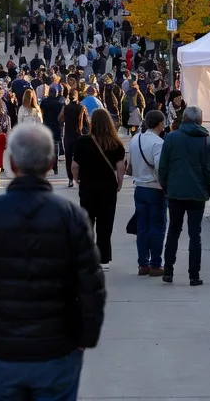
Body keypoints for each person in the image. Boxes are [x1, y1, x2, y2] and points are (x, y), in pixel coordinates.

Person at [0, 123, 106, 401]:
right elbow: (91, 285)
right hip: (58, 351)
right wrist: (85, 337)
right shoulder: (71, 216)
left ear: (11, 162)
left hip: (0, 350)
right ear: (50, 163)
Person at [158, 104, 210, 286]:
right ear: (200, 120)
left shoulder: (171, 138)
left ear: (183, 118)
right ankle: (194, 275)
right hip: (197, 193)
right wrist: (208, 190)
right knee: (195, 234)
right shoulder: (207, 141)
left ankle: (168, 270)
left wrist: (166, 187)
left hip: (175, 192)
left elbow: (163, 167)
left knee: (173, 231)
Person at [71, 108, 126, 271]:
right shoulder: (116, 143)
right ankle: (103, 259)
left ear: (92, 123)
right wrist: (119, 181)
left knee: (87, 222)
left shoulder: (84, 141)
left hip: (88, 186)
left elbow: (75, 165)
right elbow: (120, 166)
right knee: (105, 223)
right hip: (108, 187)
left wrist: (77, 179)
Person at [128, 110, 167, 276]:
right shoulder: (158, 143)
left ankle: (142, 264)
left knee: (142, 227)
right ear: (159, 124)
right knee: (157, 226)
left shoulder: (135, 139)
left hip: (139, 188)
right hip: (154, 189)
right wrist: (165, 185)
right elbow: (159, 167)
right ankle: (156, 264)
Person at [60, 86, 89, 188]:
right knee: (80, 157)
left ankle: (70, 179)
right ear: (77, 96)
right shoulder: (82, 108)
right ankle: (80, 177)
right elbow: (87, 123)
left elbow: (60, 119)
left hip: (68, 135)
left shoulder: (66, 107)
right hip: (79, 136)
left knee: (68, 158)